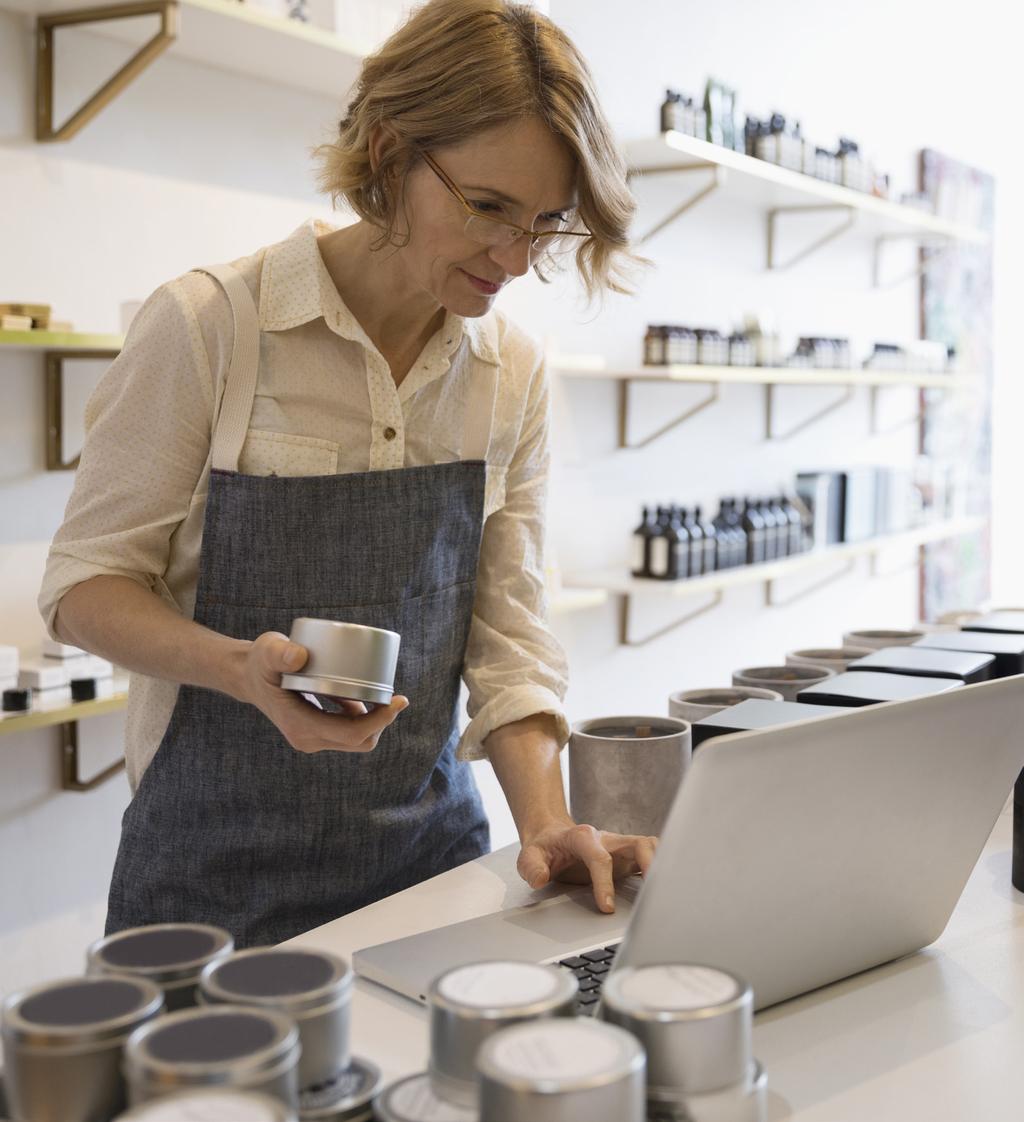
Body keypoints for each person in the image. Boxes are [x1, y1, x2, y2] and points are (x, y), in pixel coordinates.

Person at [39, 0, 655, 948]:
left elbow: (508, 637)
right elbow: (83, 588)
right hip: (207, 893)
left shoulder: (511, 376)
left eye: (546, 224)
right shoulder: (211, 329)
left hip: (430, 880)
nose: (516, 259)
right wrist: (238, 670)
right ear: (386, 150)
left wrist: (545, 824)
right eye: (488, 207)